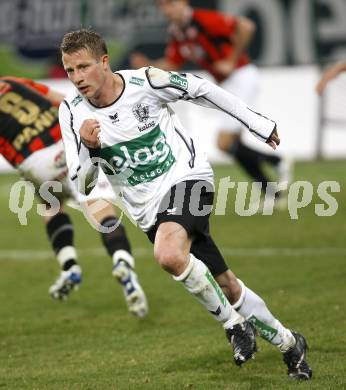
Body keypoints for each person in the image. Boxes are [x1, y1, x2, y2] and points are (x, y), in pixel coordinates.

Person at [58, 28, 312, 379]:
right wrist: (91, 149)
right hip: (147, 209)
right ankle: (289, 344)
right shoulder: (70, 111)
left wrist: (256, 122)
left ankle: (234, 326)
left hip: (187, 176)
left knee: (168, 255)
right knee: (225, 283)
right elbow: (82, 183)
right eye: (70, 71)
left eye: (83, 67)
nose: (77, 78)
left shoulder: (146, 81)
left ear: (104, 61)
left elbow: (201, 89)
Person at [0, 76, 148, 317]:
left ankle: (69, 267)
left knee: (51, 205)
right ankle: (123, 262)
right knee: (98, 207)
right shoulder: (9, 81)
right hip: (65, 141)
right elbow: (61, 101)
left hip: (36, 161)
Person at [130, 0, 292, 203]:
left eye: (170, 3)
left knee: (224, 143)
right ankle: (273, 185)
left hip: (241, 76)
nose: (166, 10)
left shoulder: (202, 19)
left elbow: (246, 26)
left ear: (183, 3)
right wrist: (149, 65)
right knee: (232, 144)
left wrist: (232, 60)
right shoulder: (177, 32)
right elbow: (172, 63)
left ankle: (274, 168)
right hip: (229, 82)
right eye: (162, 6)